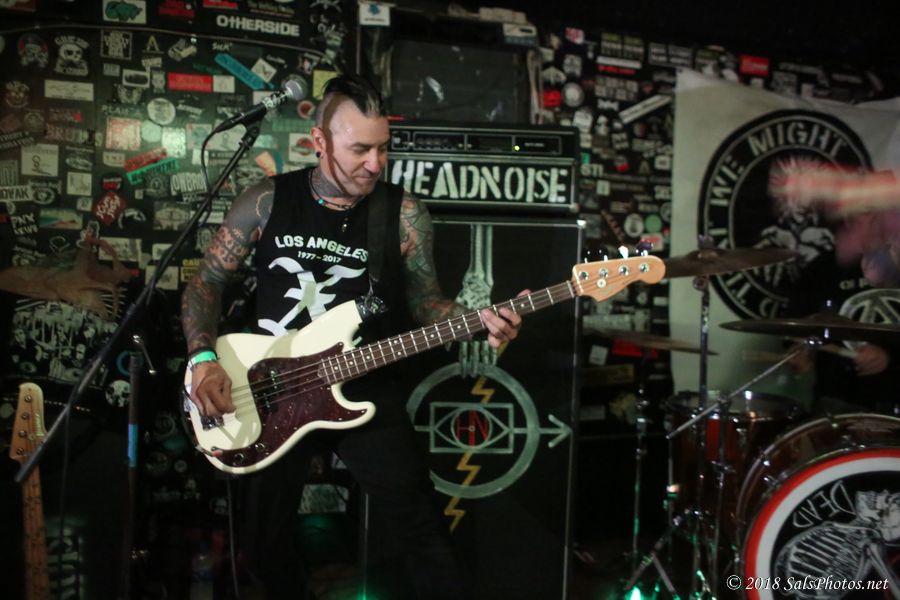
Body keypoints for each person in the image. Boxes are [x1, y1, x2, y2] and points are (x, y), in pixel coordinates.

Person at [181, 74, 525, 599]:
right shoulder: (266, 200)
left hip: (361, 379)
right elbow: (206, 282)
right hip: (267, 388)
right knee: (262, 543)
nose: (375, 163)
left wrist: (478, 318)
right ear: (318, 141)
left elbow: (426, 304)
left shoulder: (402, 213)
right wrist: (204, 357)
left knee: (421, 526)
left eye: (383, 148)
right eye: (359, 150)